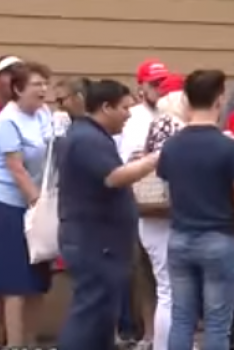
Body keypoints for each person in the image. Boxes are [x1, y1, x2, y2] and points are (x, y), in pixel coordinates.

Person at [56, 79, 159, 350]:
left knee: (101, 314)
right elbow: (114, 177)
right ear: (106, 107)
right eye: (125, 108)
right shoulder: (87, 138)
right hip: (95, 240)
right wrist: (154, 159)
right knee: (90, 311)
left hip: (102, 240)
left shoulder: (93, 137)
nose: (129, 114)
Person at [156, 69, 234, 350]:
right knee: (217, 322)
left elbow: (166, 190)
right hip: (220, 238)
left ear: (186, 99)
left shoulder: (171, 146)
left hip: (179, 236)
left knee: (182, 317)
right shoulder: (229, 148)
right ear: (220, 99)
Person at [0, 61, 52, 347]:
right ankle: (14, 344)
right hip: (7, 205)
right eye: (37, 85)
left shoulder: (44, 114)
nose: (43, 90)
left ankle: (32, 341)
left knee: (38, 280)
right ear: (18, 89)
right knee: (15, 281)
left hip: (38, 203)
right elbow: (16, 168)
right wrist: (37, 203)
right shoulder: (6, 121)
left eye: (45, 84)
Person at [120, 71, 183, 350]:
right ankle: (163, 343)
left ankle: (165, 341)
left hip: (157, 213)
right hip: (159, 210)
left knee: (167, 286)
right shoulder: (169, 125)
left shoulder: (162, 122)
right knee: (168, 288)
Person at [0, 55, 24, 345]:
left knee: (3, 272)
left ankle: (3, 335)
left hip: (14, 199)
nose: (14, 79)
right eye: (9, 74)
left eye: (18, 75)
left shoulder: (27, 112)